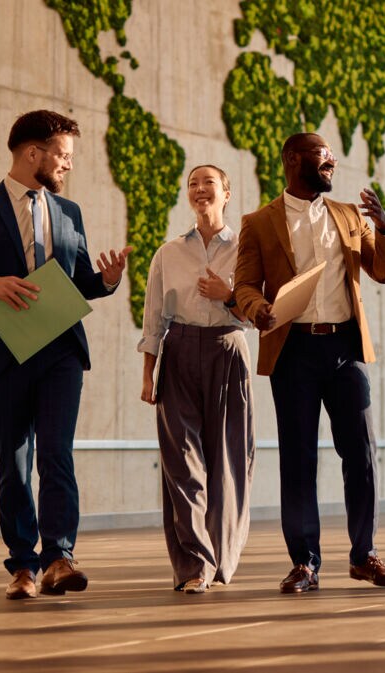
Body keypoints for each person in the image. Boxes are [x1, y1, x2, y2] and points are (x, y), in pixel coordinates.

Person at [0, 110, 132, 600]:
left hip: (62, 348)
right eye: (62, 156)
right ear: (33, 153)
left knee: (56, 453)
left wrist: (106, 281)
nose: (67, 166)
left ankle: (59, 559)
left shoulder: (69, 213)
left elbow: (81, 281)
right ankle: (23, 565)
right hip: (5, 349)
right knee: (14, 458)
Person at [233, 132, 385, 593]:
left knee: (361, 455)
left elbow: (383, 272)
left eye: (331, 158)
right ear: (292, 159)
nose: (331, 163)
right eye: (321, 157)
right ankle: (304, 563)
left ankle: (364, 555)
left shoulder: (349, 215)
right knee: (299, 459)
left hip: (346, 349)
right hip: (293, 351)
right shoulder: (258, 223)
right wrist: (257, 309)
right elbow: (244, 284)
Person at [138, 164, 254, 594]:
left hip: (229, 350)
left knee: (227, 462)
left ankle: (220, 559)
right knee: (181, 463)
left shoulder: (247, 249)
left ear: (227, 193)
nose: (199, 189)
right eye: (192, 183)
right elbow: (154, 321)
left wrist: (230, 298)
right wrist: (148, 375)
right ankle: (193, 567)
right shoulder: (168, 253)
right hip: (180, 352)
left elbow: (262, 315)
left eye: (209, 183)